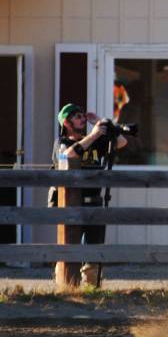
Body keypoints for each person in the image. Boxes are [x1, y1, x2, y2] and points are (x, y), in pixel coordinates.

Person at [52, 103, 129, 287]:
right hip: (71, 204)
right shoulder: (62, 142)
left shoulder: (93, 140)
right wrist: (94, 134)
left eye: (82, 115)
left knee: (93, 252)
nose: (82, 119)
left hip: (93, 202)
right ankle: (67, 288)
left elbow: (121, 142)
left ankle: (92, 290)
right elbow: (69, 156)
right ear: (66, 122)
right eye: (77, 116)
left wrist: (102, 123)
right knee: (69, 250)